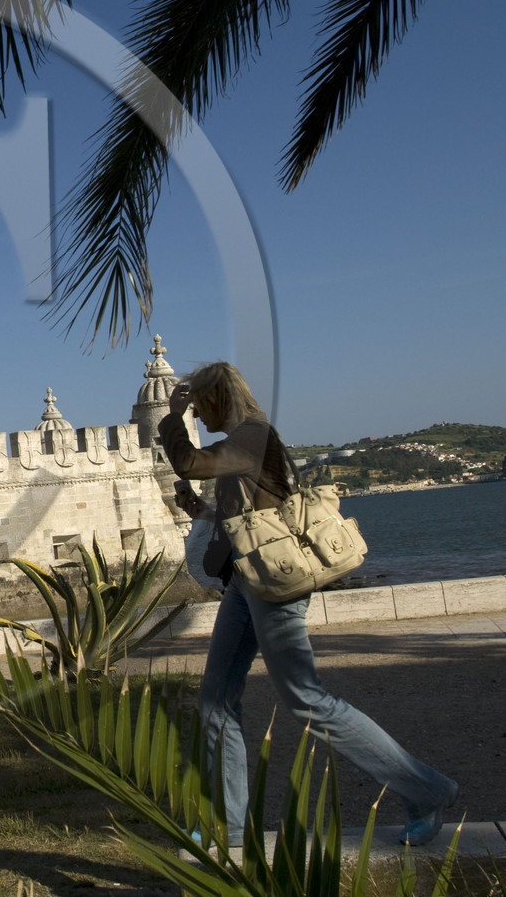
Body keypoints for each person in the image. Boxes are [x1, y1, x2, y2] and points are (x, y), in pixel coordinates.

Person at [162, 362, 458, 847]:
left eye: (199, 404)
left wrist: (171, 418)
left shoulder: (254, 435)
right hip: (246, 580)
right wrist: (202, 513)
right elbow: (250, 518)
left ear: (217, 400)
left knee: (307, 698)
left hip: (276, 584)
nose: (197, 412)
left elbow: (189, 463)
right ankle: (231, 828)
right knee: (216, 701)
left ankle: (428, 791)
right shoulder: (244, 440)